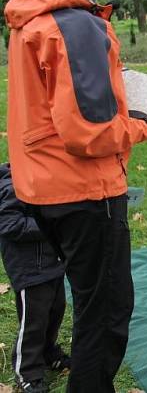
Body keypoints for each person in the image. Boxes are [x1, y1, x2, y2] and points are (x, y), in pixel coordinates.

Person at [3, 0, 147, 392]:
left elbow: (60, 107)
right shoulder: (72, 22)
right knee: (106, 312)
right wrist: (146, 129)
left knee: (89, 298)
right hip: (82, 191)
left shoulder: (34, 10)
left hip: (42, 184)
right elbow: (88, 133)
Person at [0, 165, 70, 393]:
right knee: (33, 321)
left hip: (53, 264)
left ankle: (48, 352)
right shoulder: (13, 186)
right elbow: (10, 225)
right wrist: (51, 225)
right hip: (29, 271)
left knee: (55, 310)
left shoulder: (47, 177)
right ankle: (27, 371)